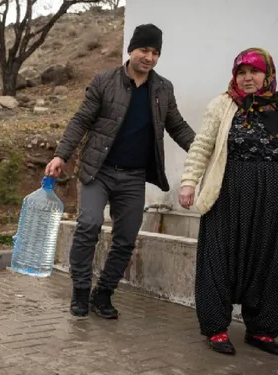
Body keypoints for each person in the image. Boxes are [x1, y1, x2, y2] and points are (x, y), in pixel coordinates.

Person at [179, 48, 278, 355]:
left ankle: (262, 330)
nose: (247, 79)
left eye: (254, 72)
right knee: (219, 256)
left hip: (275, 196)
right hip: (229, 192)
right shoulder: (222, 104)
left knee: (269, 262)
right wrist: (189, 183)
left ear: (267, 74)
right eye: (241, 73)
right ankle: (216, 327)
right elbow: (202, 145)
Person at [46, 24, 195, 319]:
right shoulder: (105, 80)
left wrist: (204, 152)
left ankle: (103, 294)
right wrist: (61, 154)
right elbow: (81, 120)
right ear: (131, 49)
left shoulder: (163, 89)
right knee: (88, 225)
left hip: (133, 176)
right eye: (144, 50)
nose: (149, 57)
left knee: (126, 237)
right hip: (97, 171)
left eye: (155, 53)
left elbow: (177, 126)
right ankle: (79, 291)